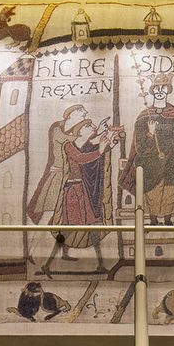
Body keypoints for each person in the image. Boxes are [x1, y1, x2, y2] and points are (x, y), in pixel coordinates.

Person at [30, 105, 121, 274]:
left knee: (92, 225)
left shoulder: (79, 144)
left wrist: (106, 141)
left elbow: (90, 146)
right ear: (79, 131)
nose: (91, 128)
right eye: (88, 126)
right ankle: (48, 264)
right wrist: (101, 149)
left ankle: (100, 264)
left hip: (81, 191)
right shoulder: (68, 146)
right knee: (68, 228)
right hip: (72, 192)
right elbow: (81, 158)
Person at [120, 74, 174, 222]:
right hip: (150, 163)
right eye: (156, 88)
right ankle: (153, 220)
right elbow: (140, 148)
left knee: (171, 189)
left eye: (163, 87)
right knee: (152, 190)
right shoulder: (144, 116)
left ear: (168, 90)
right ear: (151, 91)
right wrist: (150, 133)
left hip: (172, 163)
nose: (159, 90)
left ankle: (168, 220)